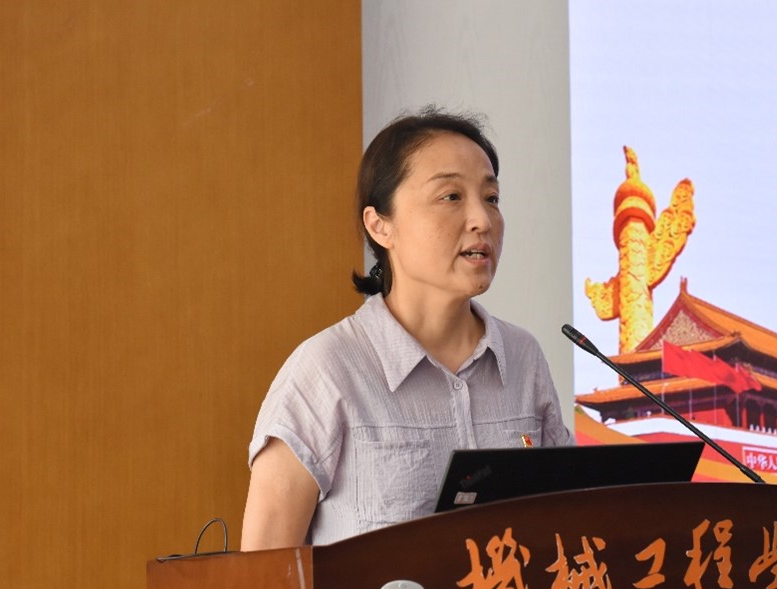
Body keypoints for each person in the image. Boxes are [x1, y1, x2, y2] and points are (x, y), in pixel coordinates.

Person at [240, 108, 574, 553]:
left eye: (491, 198)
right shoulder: (327, 370)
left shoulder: (523, 357)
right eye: (451, 196)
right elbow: (262, 572)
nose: (482, 219)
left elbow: (570, 526)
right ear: (380, 225)